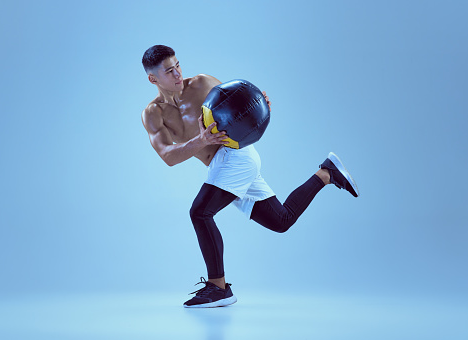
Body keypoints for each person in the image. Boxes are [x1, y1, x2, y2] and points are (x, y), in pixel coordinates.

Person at [141, 45, 359, 308]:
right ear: (153, 79)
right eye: (169, 71)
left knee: (199, 212)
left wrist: (259, 104)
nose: (177, 74)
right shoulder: (153, 114)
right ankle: (326, 173)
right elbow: (168, 156)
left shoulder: (201, 84)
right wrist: (201, 140)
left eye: (178, 66)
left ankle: (218, 287)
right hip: (222, 168)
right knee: (281, 221)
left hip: (236, 156)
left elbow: (239, 101)